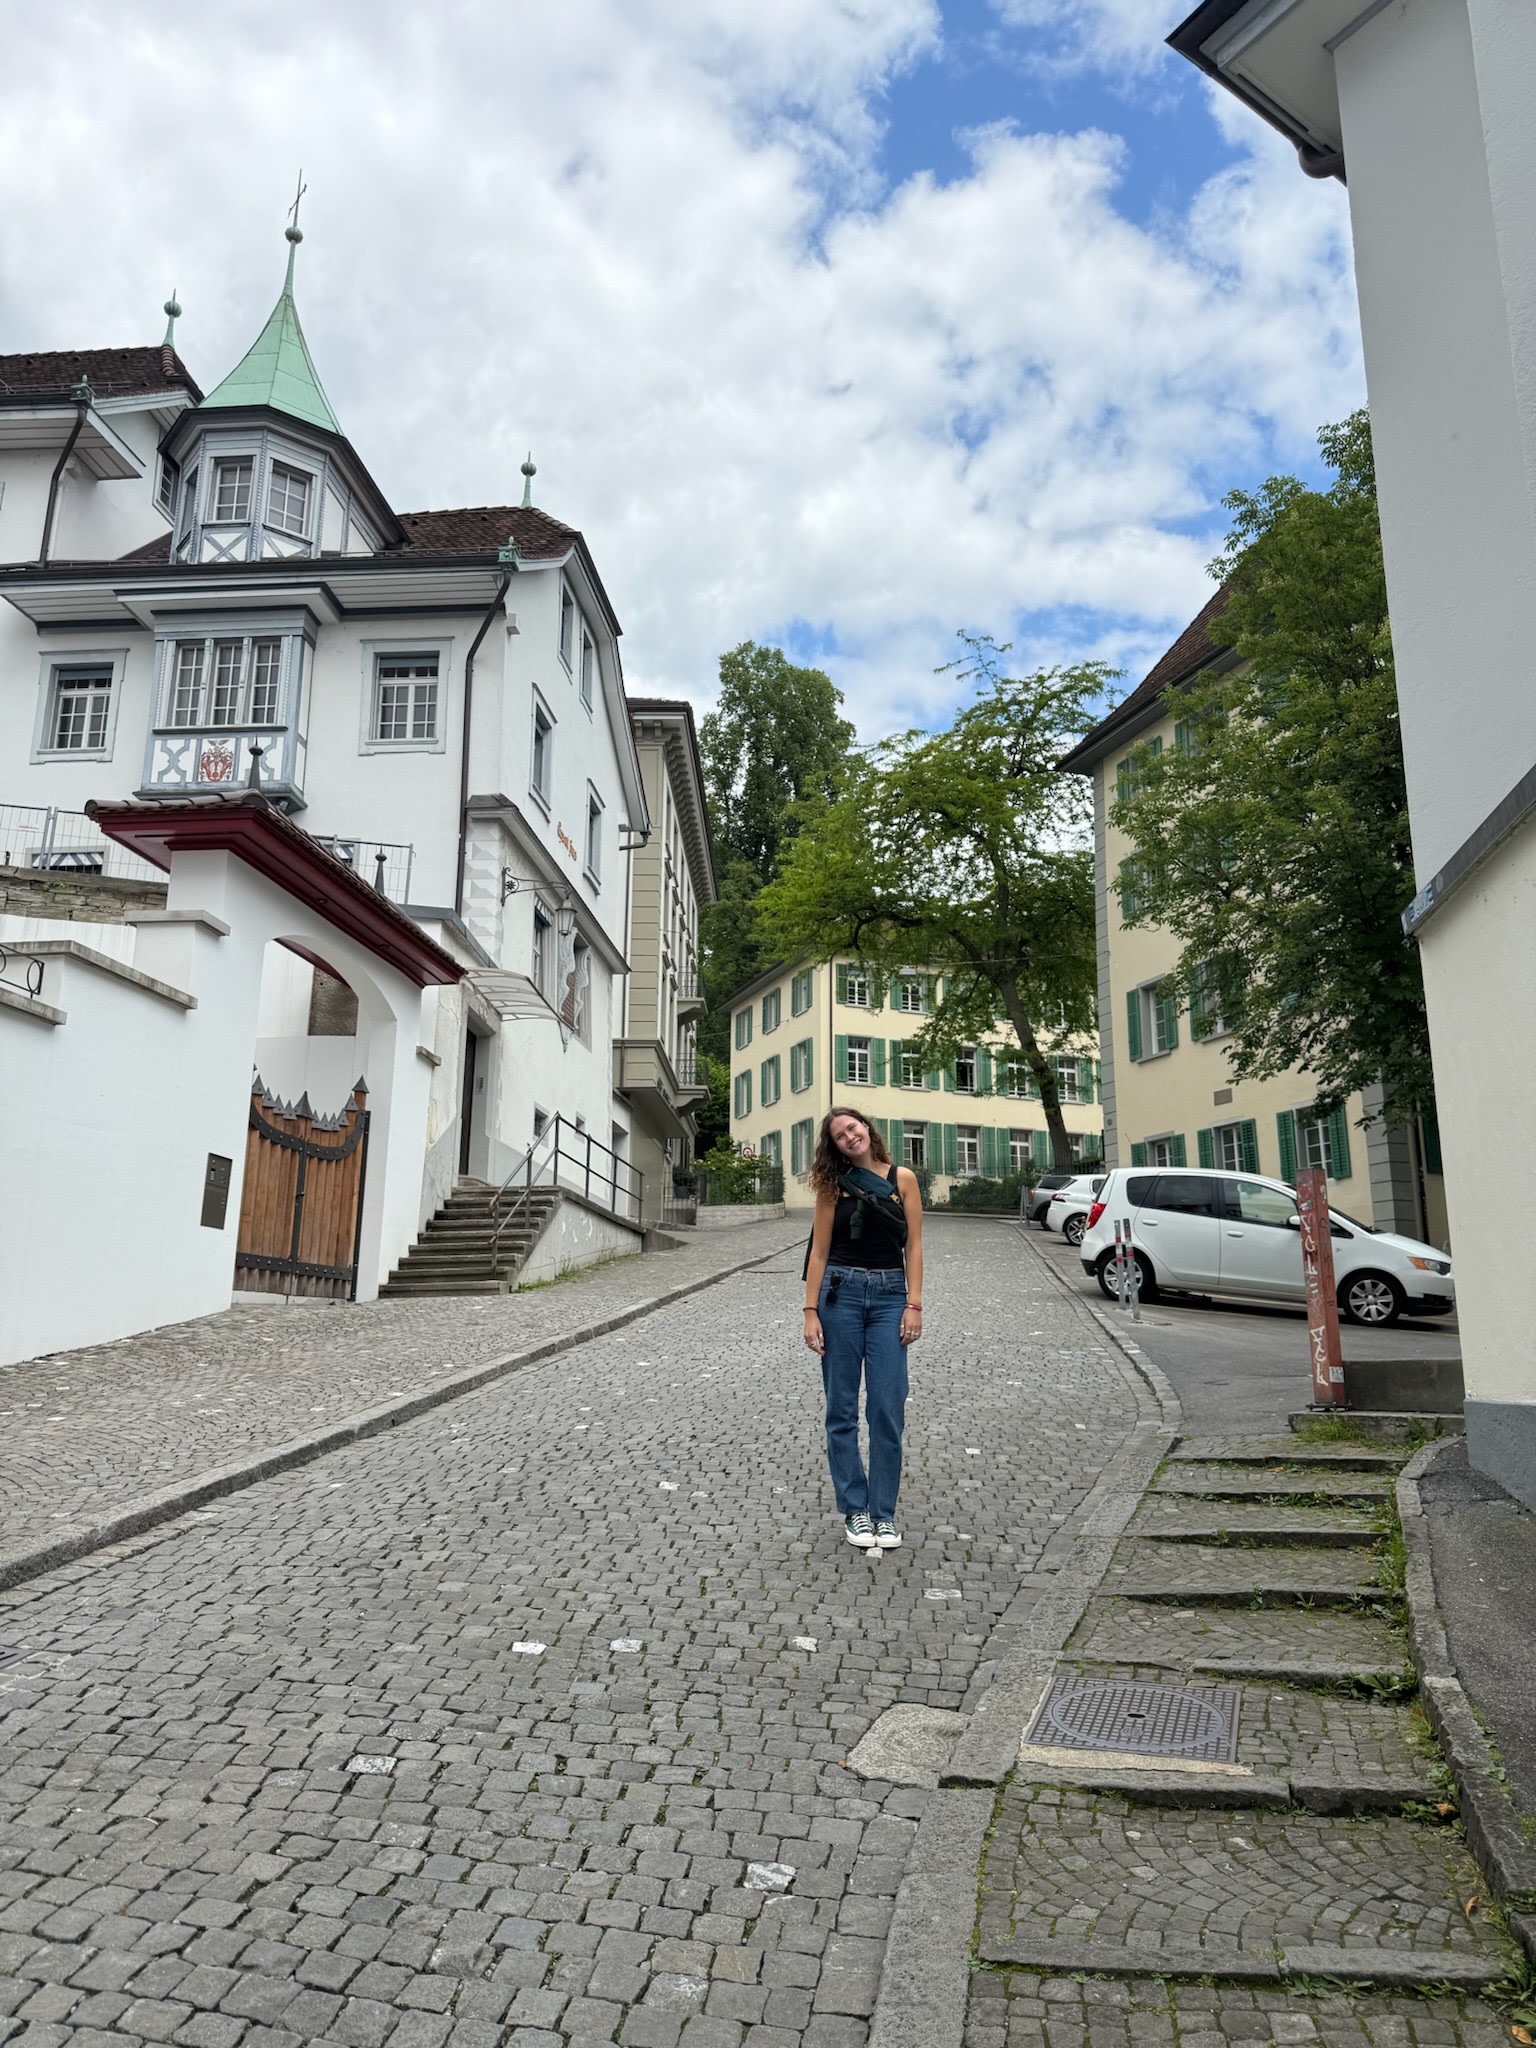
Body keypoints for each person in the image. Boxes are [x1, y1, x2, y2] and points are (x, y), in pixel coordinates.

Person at [802, 1106, 925, 1549]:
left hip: (892, 1296)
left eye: (853, 1128)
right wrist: (810, 1311)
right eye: (839, 1135)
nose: (849, 1137)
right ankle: (855, 1510)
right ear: (834, 1147)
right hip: (841, 1295)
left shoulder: (902, 1179)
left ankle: (883, 1514)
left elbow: (913, 1246)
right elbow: (818, 1251)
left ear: (868, 1130)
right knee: (840, 1410)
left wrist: (915, 1303)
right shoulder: (831, 1186)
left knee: (888, 1408)